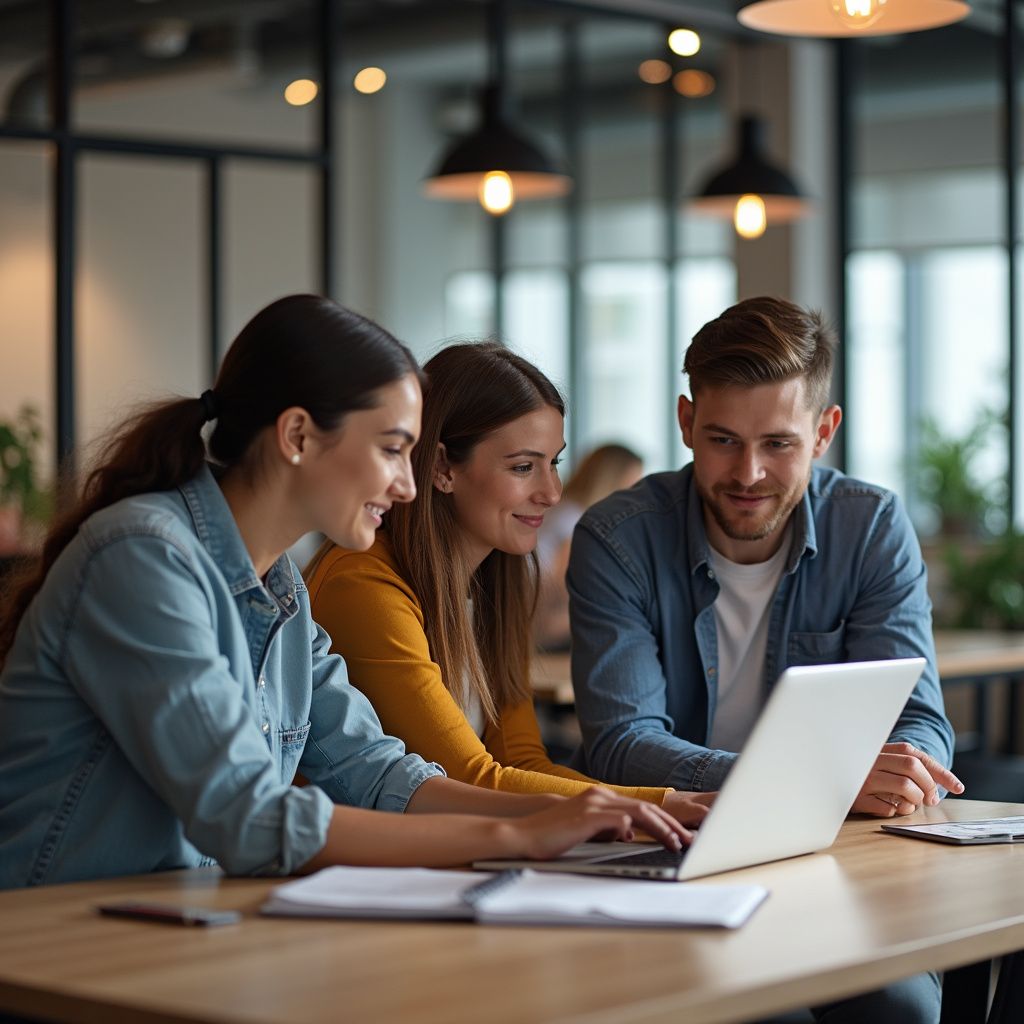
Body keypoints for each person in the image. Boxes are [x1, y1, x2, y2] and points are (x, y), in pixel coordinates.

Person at [0, 296, 689, 890]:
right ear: (298, 435)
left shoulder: (283, 592)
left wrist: (582, 815)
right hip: (59, 947)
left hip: (175, 930)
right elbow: (251, 817)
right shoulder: (142, 558)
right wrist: (517, 838)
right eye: (393, 450)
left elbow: (375, 770)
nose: (409, 485)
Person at [567, 296, 963, 1024]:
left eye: (778, 444)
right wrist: (816, 780)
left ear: (824, 431)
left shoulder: (869, 526)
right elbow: (622, 744)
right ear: (685, 422)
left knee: (902, 1008)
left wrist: (905, 767)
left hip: (842, 859)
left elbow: (918, 717)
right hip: (685, 858)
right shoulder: (619, 539)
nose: (747, 473)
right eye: (721, 439)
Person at [304, 341, 711, 828]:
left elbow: (522, 763)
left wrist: (656, 807)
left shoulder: (496, 582)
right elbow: (470, 779)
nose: (552, 492)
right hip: (354, 874)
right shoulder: (363, 585)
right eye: (523, 467)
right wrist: (659, 805)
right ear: (440, 468)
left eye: (553, 463)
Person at [532, 443, 643, 651]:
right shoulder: (575, 523)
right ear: (611, 481)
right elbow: (576, 595)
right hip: (541, 632)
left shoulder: (564, 511)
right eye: (632, 484)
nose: (636, 497)